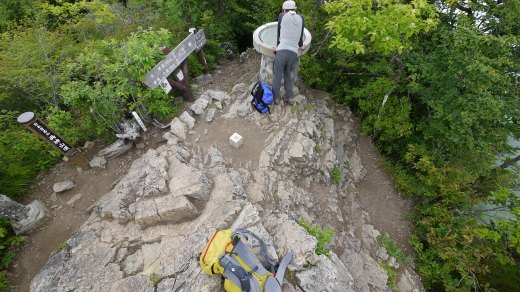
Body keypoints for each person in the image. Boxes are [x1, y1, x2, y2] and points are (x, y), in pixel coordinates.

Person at [272, 0, 305, 105]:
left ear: (284, 9)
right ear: (295, 9)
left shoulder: (282, 16)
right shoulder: (301, 18)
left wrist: (277, 48)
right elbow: (300, 37)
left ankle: (275, 98)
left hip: (282, 51)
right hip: (293, 53)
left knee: (277, 75)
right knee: (287, 75)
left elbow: (278, 34)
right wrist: (301, 46)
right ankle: (290, 97)